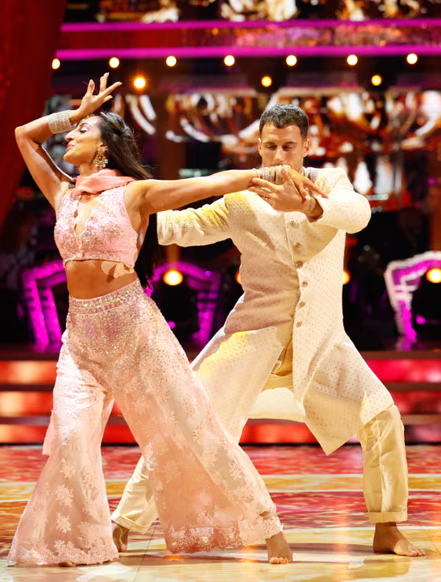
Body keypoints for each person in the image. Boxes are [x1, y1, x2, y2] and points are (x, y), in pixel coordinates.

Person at [8, 76, 318, 567]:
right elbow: (25, 135)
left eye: (81, 130)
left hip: (135, 332)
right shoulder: (63, 194)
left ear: (104, 147)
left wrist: (262, 175)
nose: (69, 136)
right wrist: (74, 114)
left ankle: (267, 526)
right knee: (70, 440)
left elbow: (205, 185)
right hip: (81, 340)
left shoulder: (134, 194)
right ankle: (85, 542)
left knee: (192, 428)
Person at [112, 104, 425, 558]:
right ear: (258, 147)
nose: (279, 156)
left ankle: (388, 526)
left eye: (288, 146)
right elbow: (184, 226)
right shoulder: (241, 197)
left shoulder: (329, 182)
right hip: (252, 336)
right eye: (271, 146)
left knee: (382, 416)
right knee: (187, 420)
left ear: (306, 146)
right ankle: (124, 522)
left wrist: (309, 205)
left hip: (322, 342)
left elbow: (357, 214)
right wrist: (118, 208)